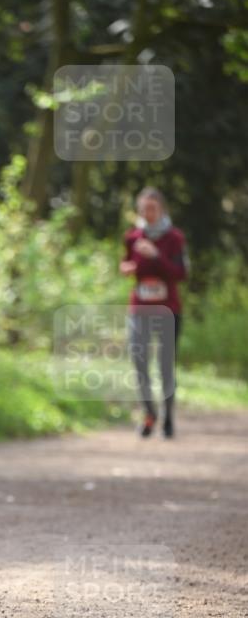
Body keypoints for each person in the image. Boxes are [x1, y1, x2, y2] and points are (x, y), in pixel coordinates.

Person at [120, 187, 189, 438]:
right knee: (139, 362)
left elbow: (181, 274)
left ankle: (168, 417)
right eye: (143, 209)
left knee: (165, 366)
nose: (147, 213)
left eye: (152, 208)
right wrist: (127, 268)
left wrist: (157, 256)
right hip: (139, 308)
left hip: (168, 310)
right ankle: (150, 414)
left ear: (161, 210)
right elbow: (129, 263)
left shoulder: (175, 238)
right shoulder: (133, 237)